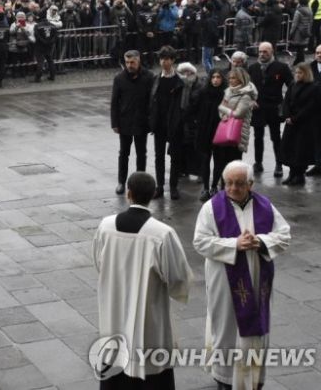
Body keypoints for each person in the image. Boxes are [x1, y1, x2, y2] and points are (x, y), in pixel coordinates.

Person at [193, 161, 291, 390]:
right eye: (228, 183)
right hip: (224, 283)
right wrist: (234, 244)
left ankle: (253, 379)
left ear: (250, 184)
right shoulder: (211, 208)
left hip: (257, 280)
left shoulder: (265, 207)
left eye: (239, 184)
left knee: (253, 330)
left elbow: (284, 235)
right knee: (226, 328)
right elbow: (200, 242)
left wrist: (262, 241)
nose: (233, 188)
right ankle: (224, 379)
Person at [93, 171, 191, 390]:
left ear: (128, 193)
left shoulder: (106, 227)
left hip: (114, 308)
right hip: (149, 315)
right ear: (152, 194)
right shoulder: (161, 233)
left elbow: (99, 263)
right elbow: (178, 278)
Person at [111, 49, 154, 195]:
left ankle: (140, 182)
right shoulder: (119, 78)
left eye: (132, 62)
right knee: (124, 153)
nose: (129, 65)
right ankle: (121, 182)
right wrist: (114, 123)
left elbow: (152, 101)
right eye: (127, 62)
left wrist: (151, 120)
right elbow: (114, 103)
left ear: (138, 61)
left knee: (141, 153)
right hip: (125, 122)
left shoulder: (148, 77)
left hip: (142, 122)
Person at [248, 42, 293, 177]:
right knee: (258, 137)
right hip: (257, 108)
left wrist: (285, 104)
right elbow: (247, 87)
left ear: (272, 52)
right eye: (260, 51)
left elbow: (291, 86)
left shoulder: (282, 67)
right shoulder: (253, 67)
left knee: (275, 137)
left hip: (274, 108)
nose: (262, 54)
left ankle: (279, 164)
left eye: (265, 52)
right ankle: (258, 162)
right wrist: (250, 100)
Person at [148, 46, 185, 200]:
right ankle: (160, 186)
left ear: (173, 60)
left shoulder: (179, 81)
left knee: (175, 156)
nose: (164, 62)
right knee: (159, 156)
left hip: (174, 123)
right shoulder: (156, 79)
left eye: (167, 59)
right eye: (162, 59)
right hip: (159, 123)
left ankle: (174, 186)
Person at [280, 63, 318, 186]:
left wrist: (295, 118)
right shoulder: (292, 84)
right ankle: (292, 174)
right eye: (296, 73)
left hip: (303, 124)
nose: (297, 75)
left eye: (300, 73)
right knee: (290, 149)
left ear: (306, 74)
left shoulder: (313, 87)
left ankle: (299, 175)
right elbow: (286, 101)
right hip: (290, 123)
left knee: (301, 150)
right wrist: (287, 116)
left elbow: (309, 107)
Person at [194, 69, 228, 201]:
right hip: (204, 131)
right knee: (205, 160)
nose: (215, 80)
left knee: (219, 160)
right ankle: (206, 187)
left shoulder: (226, 93)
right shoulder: (203, 92)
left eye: (218, 77)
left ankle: (214, 186)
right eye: (213, 77)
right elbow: (195, 107)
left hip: (220, 130)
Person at [308, 44, 321, 176]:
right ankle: (319, 164)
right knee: (317, 138)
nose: (319, 55)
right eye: (317, 52)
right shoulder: (310, 68)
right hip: (315, 111)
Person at [33, 12, 57, 82]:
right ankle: (52, 76)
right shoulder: (53, 25)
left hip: (40, 45)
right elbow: (55, 35)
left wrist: (43, 41)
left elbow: (36, 36)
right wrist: (50, 41)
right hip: (49, 45)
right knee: (50, 60)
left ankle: (38, 77)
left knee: (40, 61)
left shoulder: (37, 26)